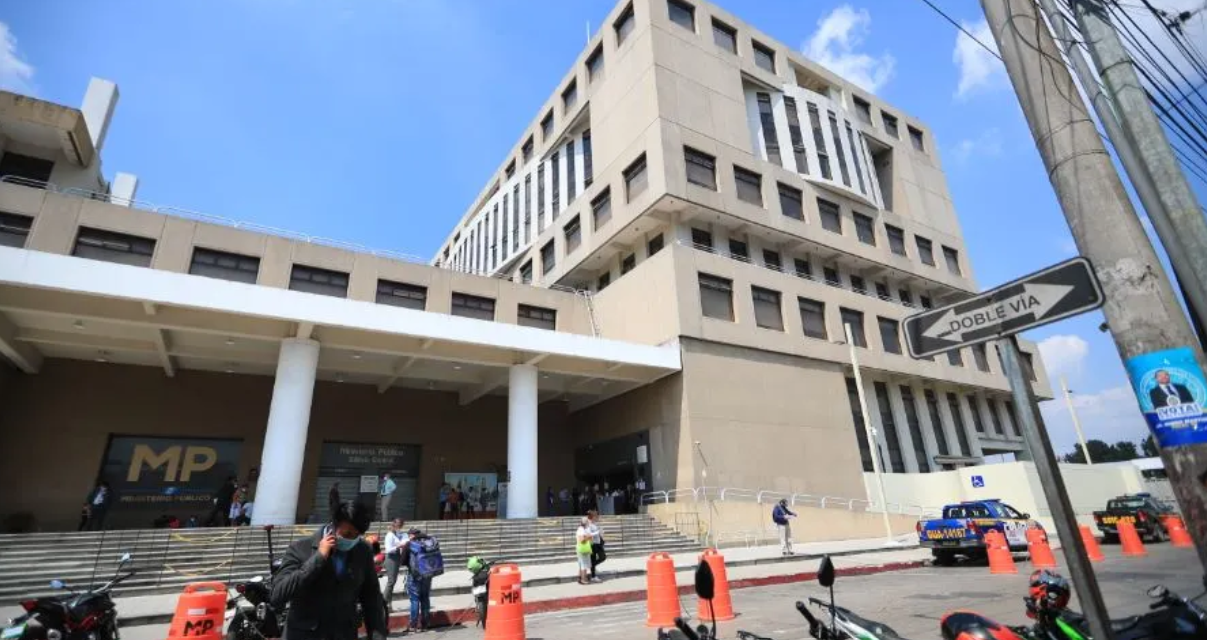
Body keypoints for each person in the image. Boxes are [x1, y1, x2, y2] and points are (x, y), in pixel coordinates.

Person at [270, 500, 386, 640]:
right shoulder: (300, 548)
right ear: (333, 525)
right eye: (347, 533)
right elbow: (278, 594)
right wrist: (318, 558)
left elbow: (371, 598)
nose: (351, 539)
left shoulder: (363, 550)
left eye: (356, 535)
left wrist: (377, 636)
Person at [397, 528, 434, 632]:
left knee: (414, 599)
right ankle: (425, 624)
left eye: (409, 535)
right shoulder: (429, 542)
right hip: (428, 574)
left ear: (412, 535)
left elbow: (402, 561)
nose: (408, 537)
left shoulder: (409, 544)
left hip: (414, 575)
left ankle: (413, 625)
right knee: (425, 598)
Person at [382, 518, 406, 612]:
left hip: (396, 557)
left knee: (393, 581)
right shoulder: (390, 535)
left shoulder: (398, 534)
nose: (399, 527)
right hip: (391, 558)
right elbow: (388, 549)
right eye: (398, 525)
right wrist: (399, 546)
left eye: (401, 525)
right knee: (391, 581)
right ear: (394, 525)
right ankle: (383, 603)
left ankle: (389, 604)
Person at [586, 509, 606, 582]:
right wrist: (597, 532)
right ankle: (593, 576)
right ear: (593, 516)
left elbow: (598, 533)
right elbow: (589, 535)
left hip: (598, 543)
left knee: (603, 557)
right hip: (593, 544)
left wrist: (601, 533)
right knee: (593, 559)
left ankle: (592, 566)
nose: (598, 517)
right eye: (596, 515)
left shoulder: (595, 524)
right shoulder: (589, 525)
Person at [575, 517, 593, 585]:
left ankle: (580, 578)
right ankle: (583, 579)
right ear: (585, 523)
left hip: (581, 548)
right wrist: (589, 537)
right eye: (587, 522)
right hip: (582, 549)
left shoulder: (582, 529)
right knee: (584, 565)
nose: (588, 523)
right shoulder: (581, 530)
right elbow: (581, 540)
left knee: (581, 564)